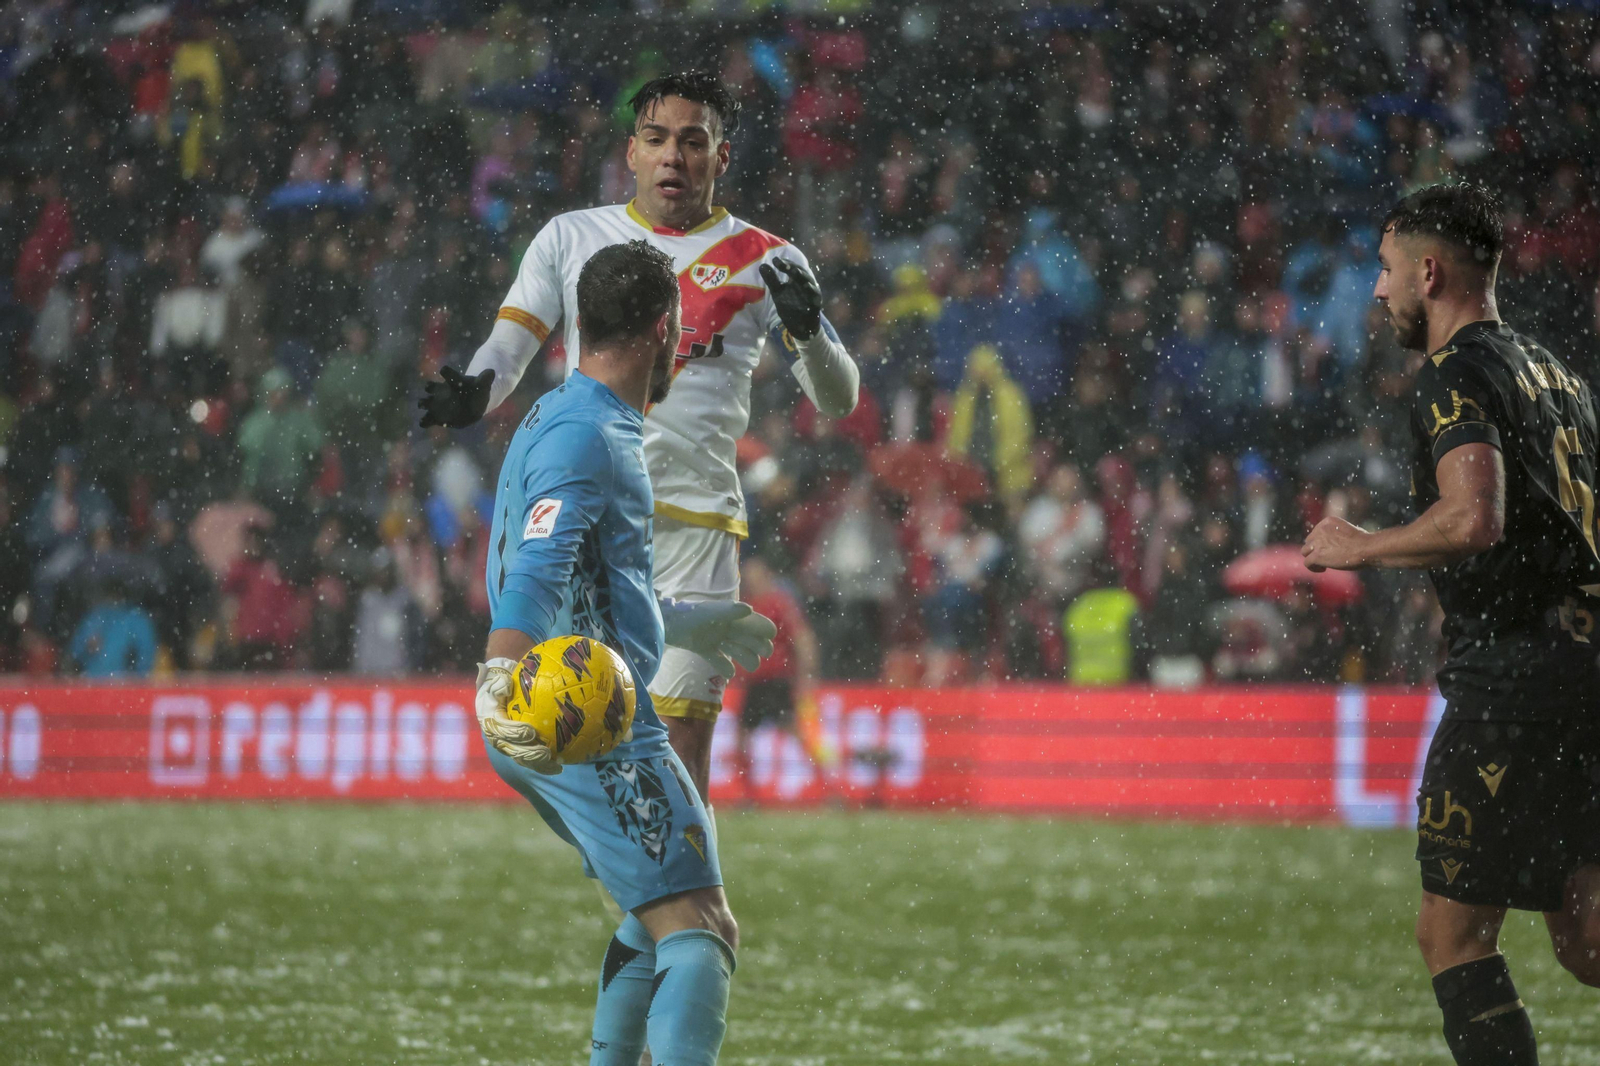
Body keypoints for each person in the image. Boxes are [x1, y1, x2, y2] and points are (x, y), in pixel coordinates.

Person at [421, 71, 858, 820]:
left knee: (680, 744)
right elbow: (509, 347)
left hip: (698, 526)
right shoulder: (570, 237)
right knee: (592, 739)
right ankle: (652, 914)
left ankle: (670, 924)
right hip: (595, 516)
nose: (673, 157)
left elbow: (838, 397)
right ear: (631, 151)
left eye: (694, 141)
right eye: (657, 139)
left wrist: (812, 333)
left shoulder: (768, 259)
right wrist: (474, 391)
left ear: (722, 155)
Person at [1304, 183, 1600, 1066]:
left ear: (1430, 272)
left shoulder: (1454, 374)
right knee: (1587, 939)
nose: (1377, 289)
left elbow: (1476, 519)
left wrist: (1362, 545)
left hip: (1517, 685)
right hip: (1585, 671)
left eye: (1388, 269)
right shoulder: (1561, 377)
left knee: (1454, 936)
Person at [474, 241, 757, 1065]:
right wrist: (504, 679)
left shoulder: (564, 414)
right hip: (585, 718)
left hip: (564, 703)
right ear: (664, 330)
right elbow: (538, 567)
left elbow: (594, 582)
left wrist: (691, 624)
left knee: (650, 905)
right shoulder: (591, 437)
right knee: (703, 924)